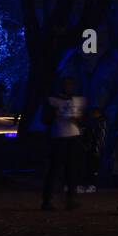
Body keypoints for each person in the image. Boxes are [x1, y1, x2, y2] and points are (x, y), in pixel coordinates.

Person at [42, 78, 85, 210]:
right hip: (59, 136)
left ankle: (71, 199)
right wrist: (55, 114)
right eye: (67, 85)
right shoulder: (53, 101)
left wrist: (78, 117)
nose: (69, 87)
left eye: (71, 85)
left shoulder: (77, 100)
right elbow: (45, 119)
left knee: (72, 169)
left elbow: (83, 119)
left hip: (74, 136)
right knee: (55, 169)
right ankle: (48, 200)